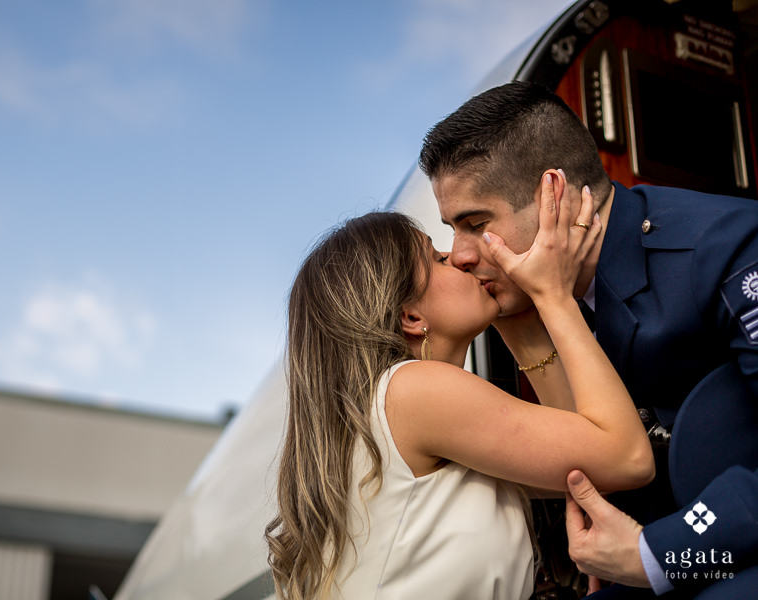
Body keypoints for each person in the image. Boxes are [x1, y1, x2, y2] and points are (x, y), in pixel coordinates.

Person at [418, 80, 758, 598]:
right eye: (453, 229)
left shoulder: (727, 249)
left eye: (476, 223)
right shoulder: (543, 298)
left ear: (552, 196)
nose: (460, 254)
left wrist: (659, 555)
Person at [265, 172, 654, 600]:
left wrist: (519, 319)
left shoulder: (393, 406)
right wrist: (553, 294)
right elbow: (627, 459)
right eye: (436, 258)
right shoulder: (412, 390)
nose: (459, 258)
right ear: (411, 317)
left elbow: (589, 468)